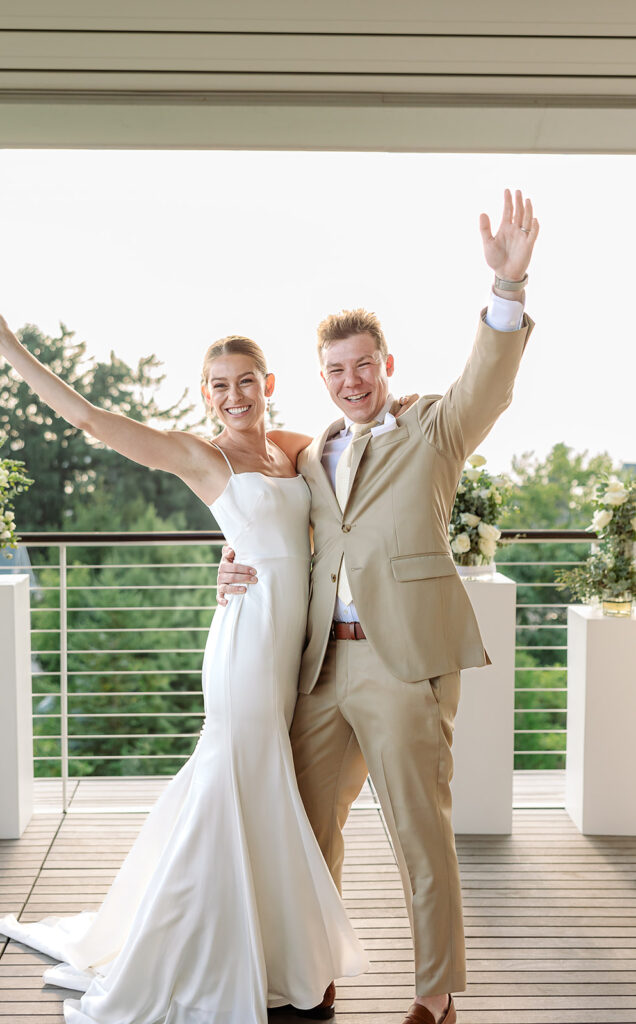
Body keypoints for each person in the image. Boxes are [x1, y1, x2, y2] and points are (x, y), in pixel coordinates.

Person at [0, 313, 380, 1023]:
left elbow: (360, 440)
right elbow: (91, 419)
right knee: (235, 781)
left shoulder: (296, 448)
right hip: (244, 644)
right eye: (219, 387)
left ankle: (271, 950)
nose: (234, 396)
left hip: (293, 648)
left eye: (246, 382)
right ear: (205, 396)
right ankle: (204, 949)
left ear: (268, 385)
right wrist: (6, 345)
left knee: (259, 790)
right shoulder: (203, 456)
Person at [216, 188, 539, 1024]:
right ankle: (311, 970)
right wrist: (231, 567)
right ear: (321, 381)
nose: (351, 381)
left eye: (363, 364)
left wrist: (508, 289)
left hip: (402, 666)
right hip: (322, 667)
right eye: (335, 371)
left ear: (386, 364)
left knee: (418, 835)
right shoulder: (312, 452)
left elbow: (490, 385)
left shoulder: (433, 429)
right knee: (306, 824)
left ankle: (434, 997)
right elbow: (278, 526)